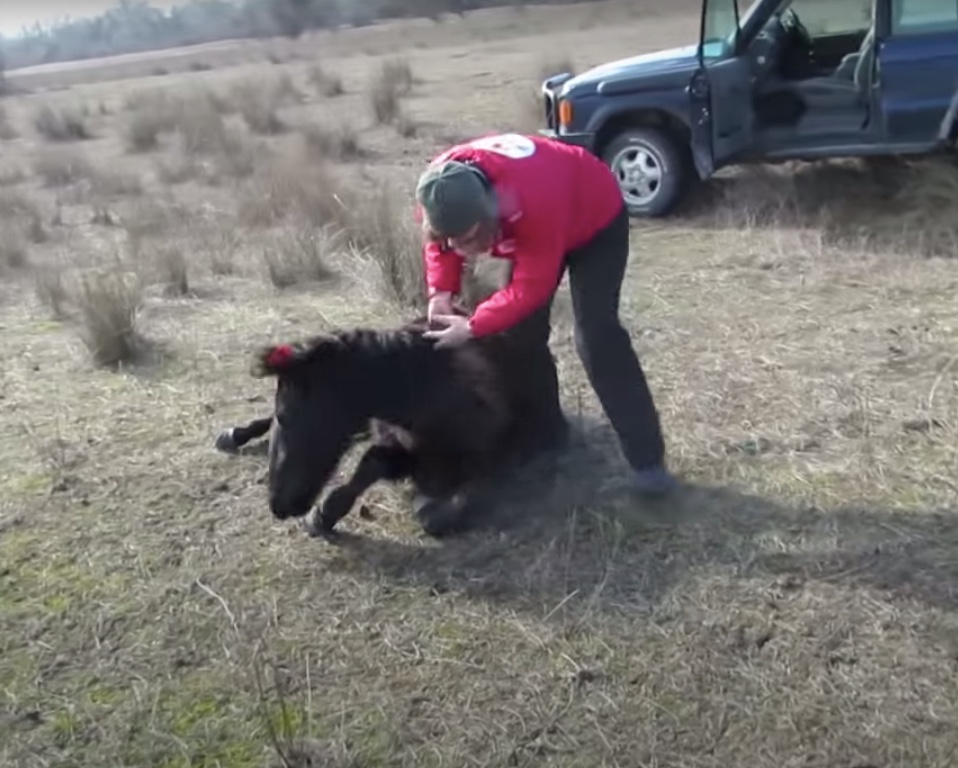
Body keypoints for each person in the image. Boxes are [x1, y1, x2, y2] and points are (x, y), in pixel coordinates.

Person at [413, 132, 677, 497]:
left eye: (468, 239)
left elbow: (529, 288)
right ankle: (548, 435)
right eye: (450, 240)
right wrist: (441, 292)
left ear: (489, 213)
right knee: (519, 334)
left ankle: (648, 464)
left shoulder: (532, 197)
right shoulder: (439, 189)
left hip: (593, 220)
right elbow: (438, 246)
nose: (460, 250)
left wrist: (473, 326)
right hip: (538, 219)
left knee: (597, 339)